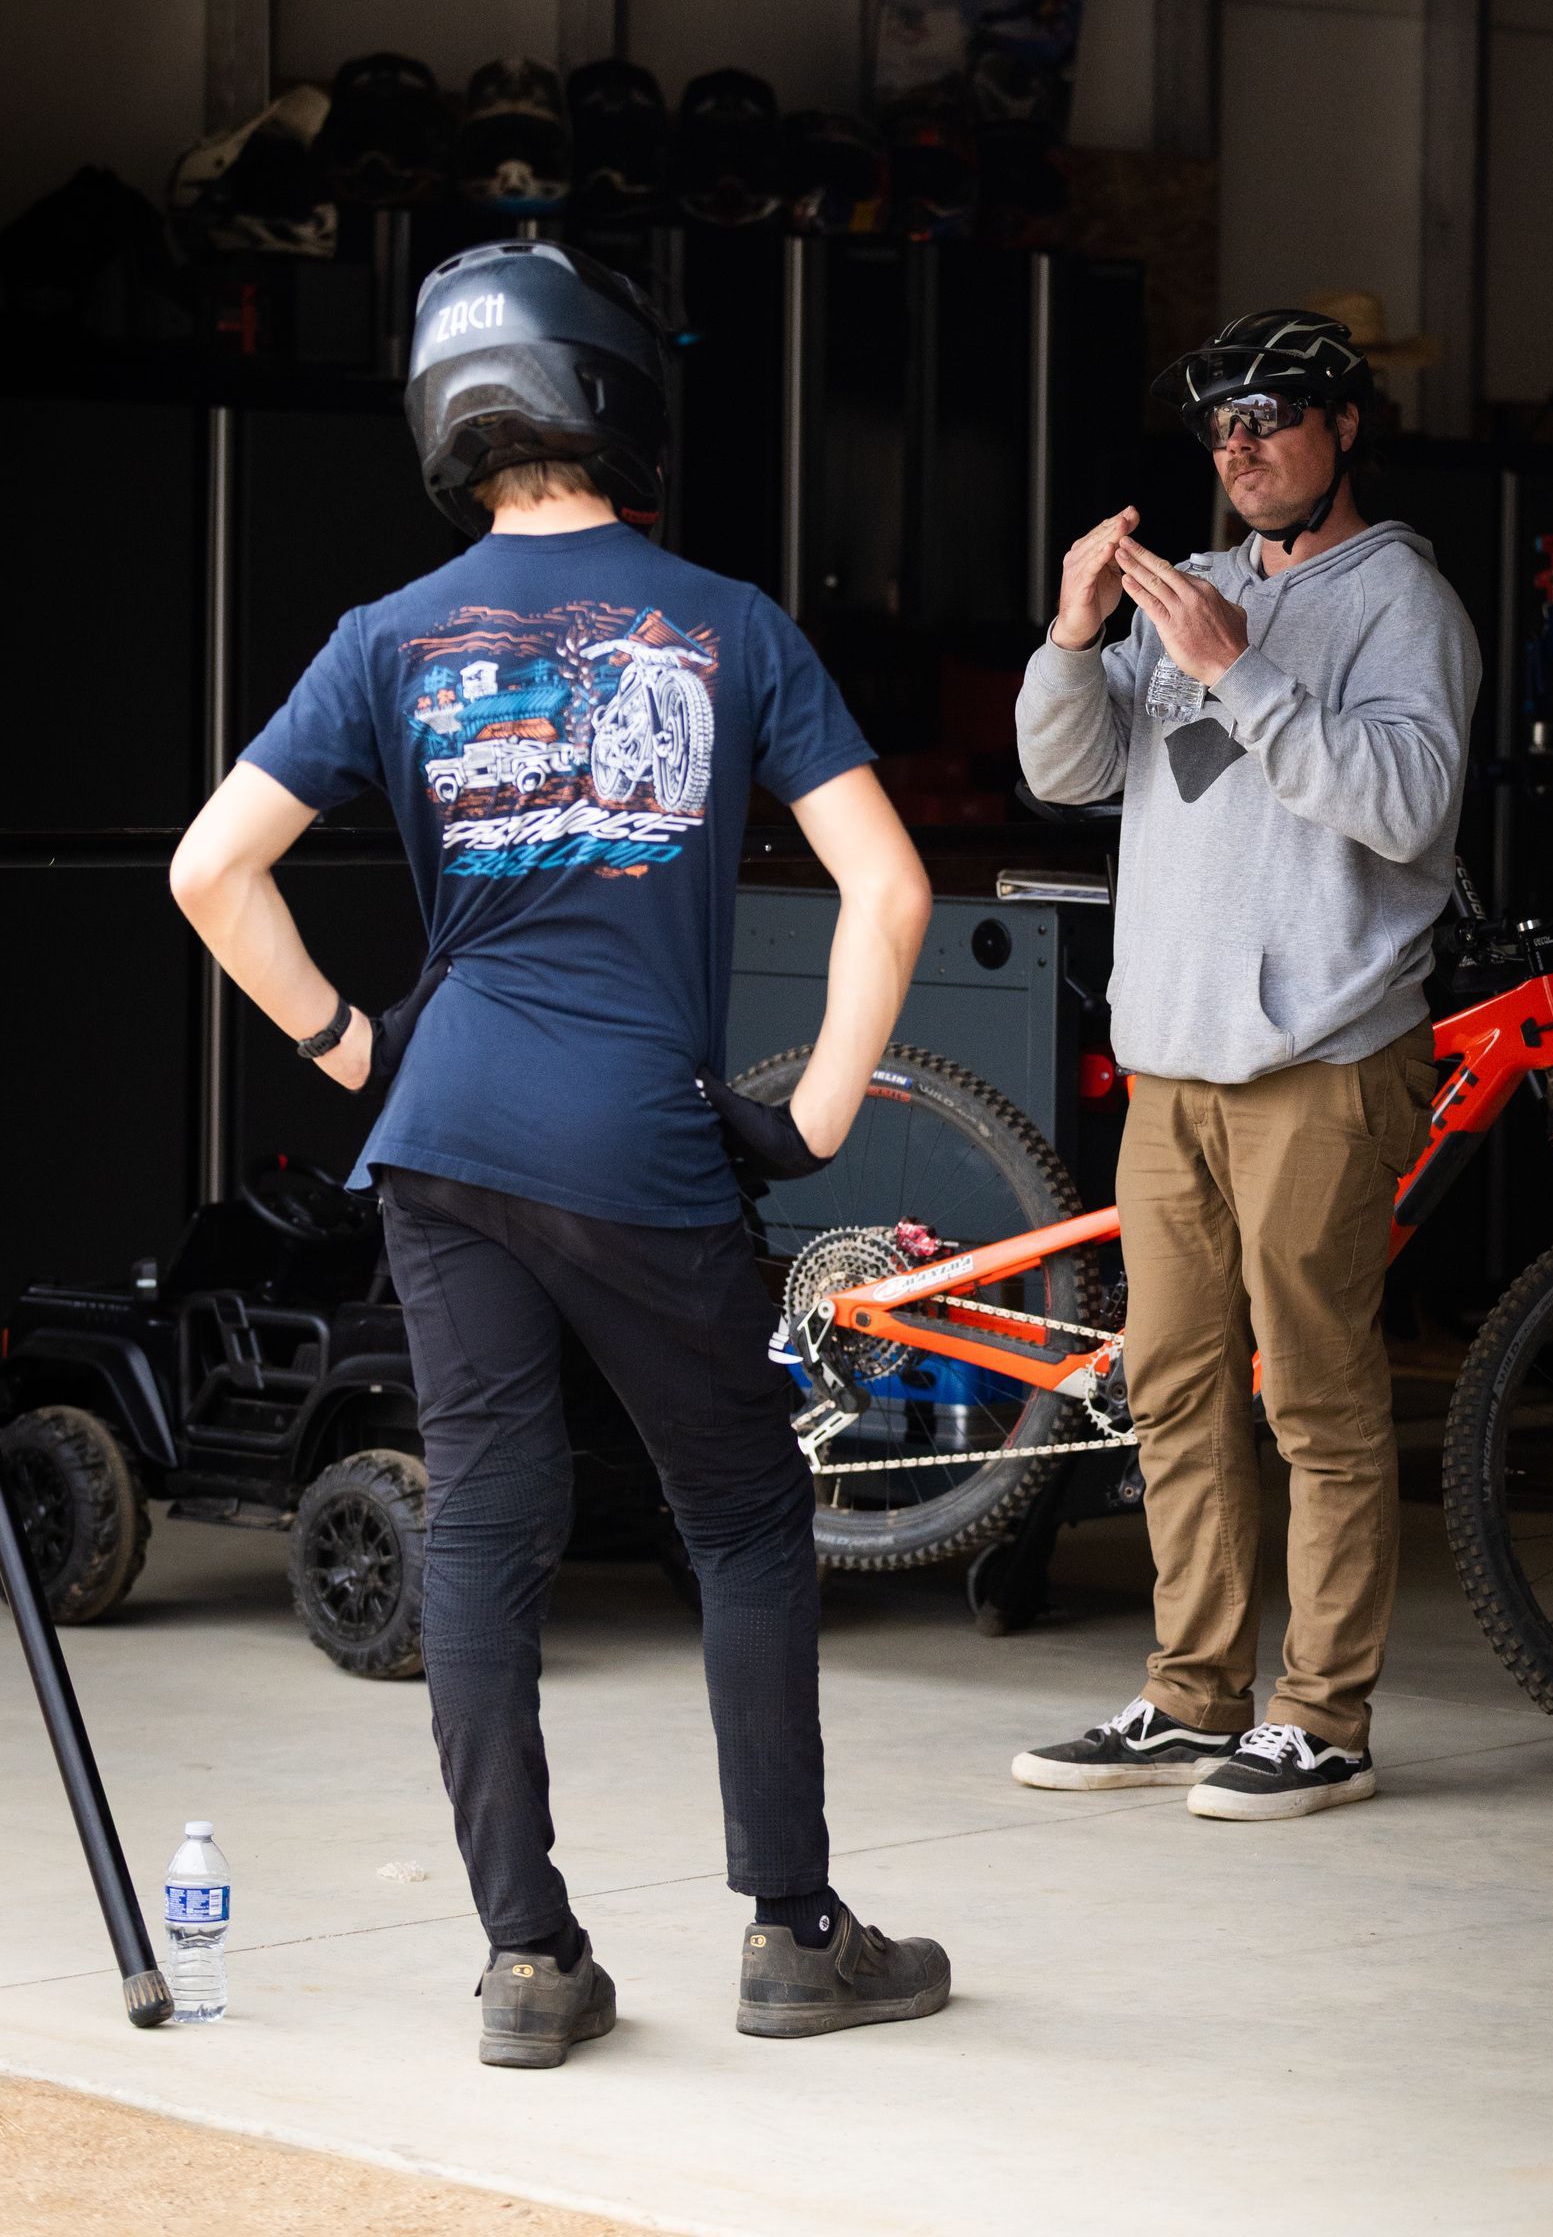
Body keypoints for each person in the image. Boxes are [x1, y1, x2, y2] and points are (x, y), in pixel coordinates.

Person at [170, 241, 949, 2057]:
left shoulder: (388, 637)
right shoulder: (731, 623)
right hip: (637, 1137)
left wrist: (354, 1047)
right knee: (746, 1516)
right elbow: (890, 886)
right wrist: (823, 1107)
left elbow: (213, 871)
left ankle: (529, 1965)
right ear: (618, 397)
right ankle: (792, 1936)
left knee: (491, 1527)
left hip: (443, 1143)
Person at [1010, 309, 1479, 1822]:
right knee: (1176, 1387)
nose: (1245, 448)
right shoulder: (1188, 589)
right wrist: (1079, 634)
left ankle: (1322, 1720)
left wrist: (1243, 675)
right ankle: (1188, 1692)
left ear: (1344, 428)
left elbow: (1408, 808)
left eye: (1276, 418)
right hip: (1172, 1060)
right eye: (1223, 429)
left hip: (1323, 1057)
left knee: (1319, 1393)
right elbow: (1067, 775)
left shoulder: (1402, 599)